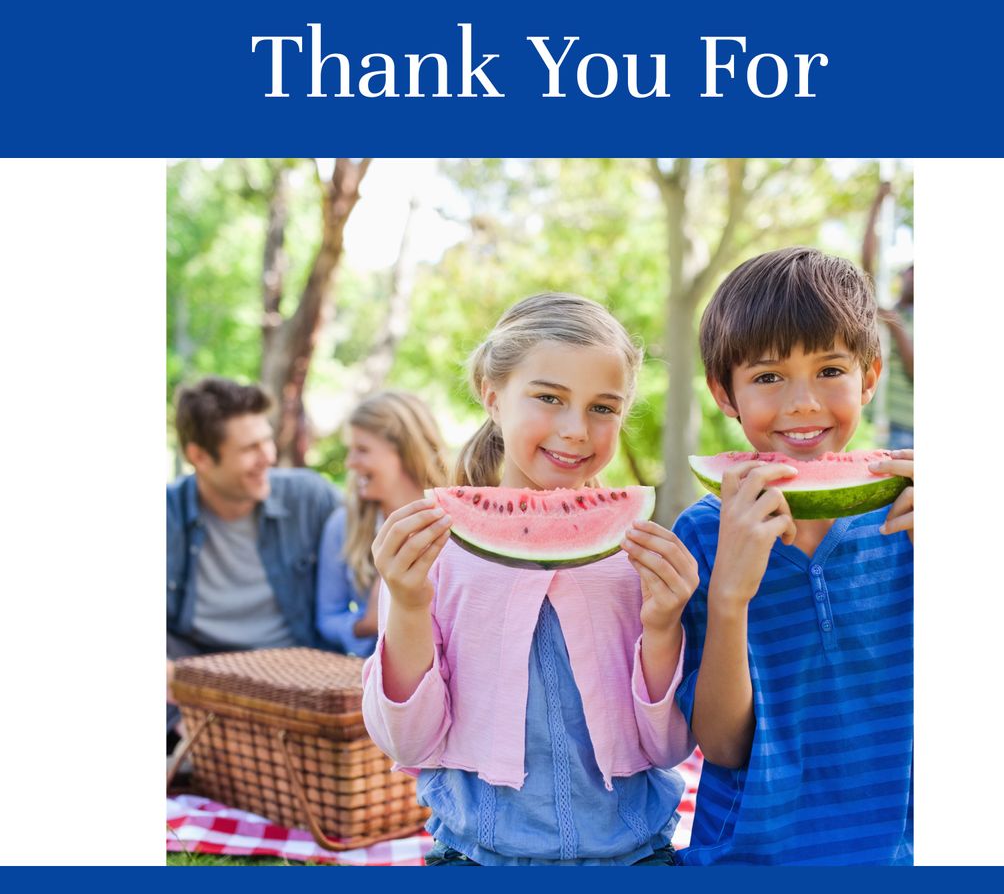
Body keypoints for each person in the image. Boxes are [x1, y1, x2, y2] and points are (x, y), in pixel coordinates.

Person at [362, 293, 699, 865]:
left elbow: (668, 748)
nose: (575, 430)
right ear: (494, 398)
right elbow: (407, 742)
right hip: (474, 860)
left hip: (638, 860)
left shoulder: (636, 557)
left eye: (603, 408)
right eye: (549, 398)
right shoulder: (439, 553)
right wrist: (410, 605)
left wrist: (664, 627)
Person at [673, 247, 915, 865]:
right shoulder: (703, 534)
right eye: (767, 377)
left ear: (870, 376)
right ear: (724, 394)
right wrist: (729, 595)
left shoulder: (914, 514)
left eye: (830, 370)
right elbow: (723, 748)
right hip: (747, 866)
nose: (803, 402)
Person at [166, 377, 341, 741]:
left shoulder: (309, 498)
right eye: (250, 448)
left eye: (267, 440)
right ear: (199, 456)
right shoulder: (166, 514)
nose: (269, 457)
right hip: (200, 685)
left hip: (296, 684)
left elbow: (372, 538)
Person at [316, 391, 449, 657]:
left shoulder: (457, 518)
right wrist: (368, 623)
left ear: (405, 451)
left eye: (362, 450)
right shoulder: (344, 525)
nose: (350, 463)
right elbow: (327, 619)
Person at [862, 180, 914, 447]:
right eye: (912, 269)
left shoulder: (897, 319)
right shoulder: (892, 310)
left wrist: (896, 327)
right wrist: (877, 204)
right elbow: (868, 264)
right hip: (893, 429)